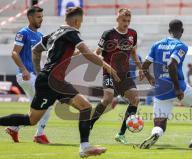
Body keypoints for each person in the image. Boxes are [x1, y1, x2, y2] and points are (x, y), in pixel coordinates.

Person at [0, 7, 120, 157]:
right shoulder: (72, 32)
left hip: (50, 80)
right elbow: (87, 53)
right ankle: (85, 147)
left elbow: (35, 51)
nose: (80, 25)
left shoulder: (55, 33)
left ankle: (85, 147)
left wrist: (39, 72)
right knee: (85, 107)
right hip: (53, 81)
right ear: (76, 21)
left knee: (31, 120)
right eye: (81, 22)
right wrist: (107, 66)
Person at [140, 19, 192, 149]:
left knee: (159, 125)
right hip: (179, 88)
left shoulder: (156, 45)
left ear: (168, 31)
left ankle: (156, 134)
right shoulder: (181, 46)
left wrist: (149, 78)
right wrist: (177, 89)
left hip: (160, 90)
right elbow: (171, 64)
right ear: (182, 31)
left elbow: (144, 66)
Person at [90, 8, 144, 144]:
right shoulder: (108, 34)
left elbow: (133, 52)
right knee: (107, 98)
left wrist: (141, 68)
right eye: (124, 20)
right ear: (117, 19)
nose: (126, 23)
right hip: (109, 72)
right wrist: (103, 63)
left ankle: (121, 134)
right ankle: (89, 124)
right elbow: (97, 52)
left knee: (135, 99)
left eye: (128, 21)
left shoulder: (133, 34)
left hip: (124, 74)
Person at [7, 6, 52, 144]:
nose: (41, 19)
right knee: (47, 103)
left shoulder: (40, 36)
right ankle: (39, 135)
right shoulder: (23, 33)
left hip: (35, 76)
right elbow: (14, 53)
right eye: (38, 17)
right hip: (25, 75)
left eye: (42, 17)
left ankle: (14, 127)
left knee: (37, 107)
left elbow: (48, 53)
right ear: (30, 18)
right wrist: (24, 69)